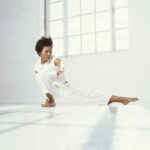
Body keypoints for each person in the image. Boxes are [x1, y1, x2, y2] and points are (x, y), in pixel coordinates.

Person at [33, 36, 139, 107]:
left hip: (64, 88)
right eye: (46, 52)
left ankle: (122, 99)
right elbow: (41, 81)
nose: (49, 54)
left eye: (50, 51)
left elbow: (60, 63)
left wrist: (60, 69)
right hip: (52, 92)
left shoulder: (54, 58)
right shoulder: (37, 66)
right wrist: (48, 93)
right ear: (39, 52)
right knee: (40, 75)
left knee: (91, 95)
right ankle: (50, 99)